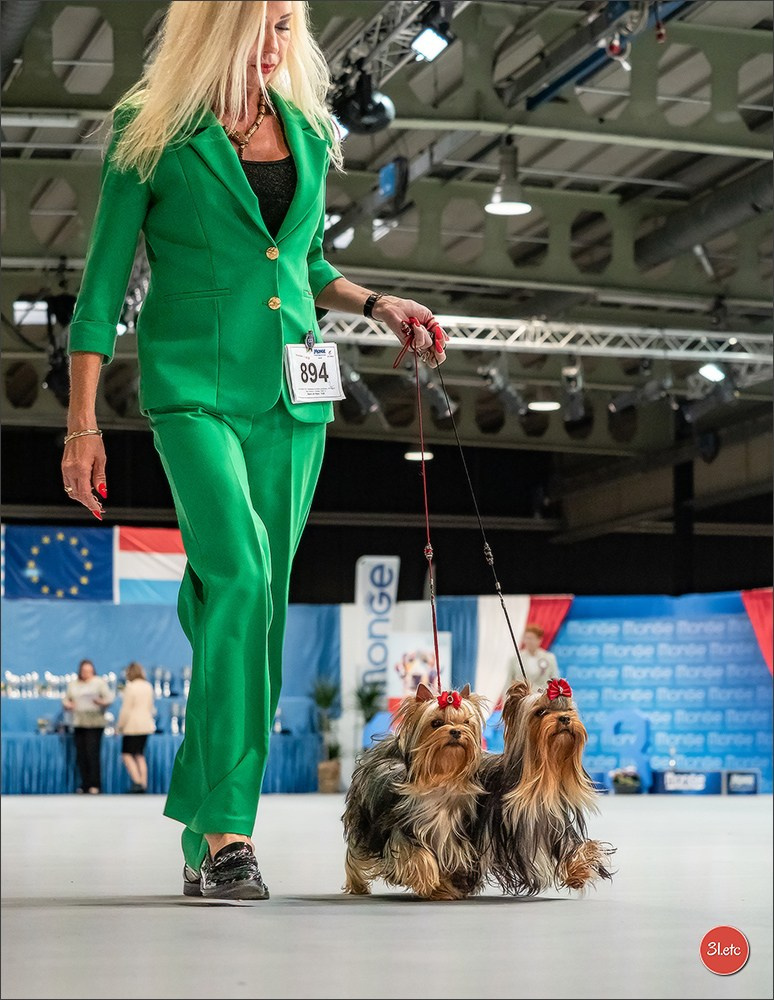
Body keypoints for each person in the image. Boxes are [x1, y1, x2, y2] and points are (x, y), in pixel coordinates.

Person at [60, 1, 448, 901]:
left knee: (254, 604)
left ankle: (204, 835)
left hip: (293, 402)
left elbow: (299, 262)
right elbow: (103, 285)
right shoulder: (148, 127)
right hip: (193, 390)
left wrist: (379, 302)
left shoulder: (308, 128)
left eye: (286, 25)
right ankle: (231, 830)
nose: (277, 43)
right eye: (261, 24)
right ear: (215, 27)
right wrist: (82, 422)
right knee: (234, 575)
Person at [61, 659, 114, 794]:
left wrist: (100, 702)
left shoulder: (99, 682)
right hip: (79, 722)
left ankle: (95, 784)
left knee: (92, 754)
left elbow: (109, 699)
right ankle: (84, 783)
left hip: (95, 723)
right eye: (84, 671)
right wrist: (68, 705)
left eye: (89, 671)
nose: (86, 674)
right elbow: (66, 699)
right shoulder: (73, 684)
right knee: (81, 755)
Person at [116, 662, 157, 793]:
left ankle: (137, 781)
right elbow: (151, 707)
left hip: (132, 726)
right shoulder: (148, 686)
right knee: (139, 755)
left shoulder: (131, 687)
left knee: (127, 754)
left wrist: (120, 726)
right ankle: (144, 783)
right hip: (146, 725)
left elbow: (126, 709)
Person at [509, 623, 560, 690]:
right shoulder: (515, 658)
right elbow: (509, 681)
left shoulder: (549, 657)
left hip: (542, 697)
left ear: (539, 640)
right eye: (526, 638)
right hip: (522, 698)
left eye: (531, 638)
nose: (528, 641)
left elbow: (555, 680)